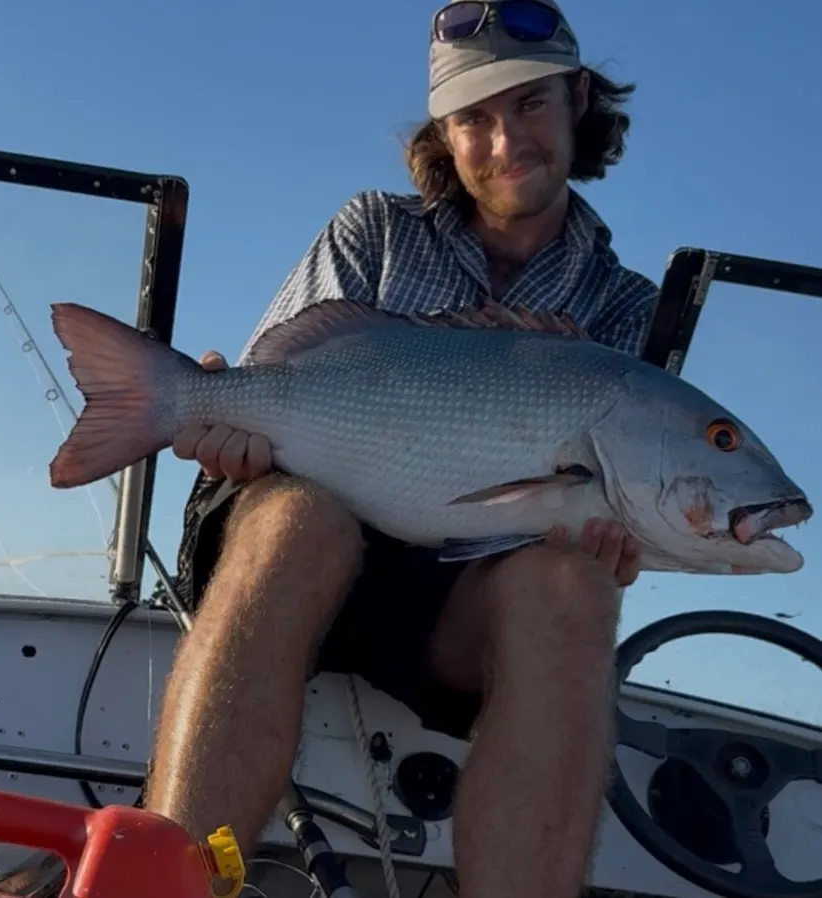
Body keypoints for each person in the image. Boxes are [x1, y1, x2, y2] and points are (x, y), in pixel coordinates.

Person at [144, 1, 659, 895]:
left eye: (530, 104)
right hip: (306, 528)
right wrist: (221, 419)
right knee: (301, 519)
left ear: (579, 98)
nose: (504, 142)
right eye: (473, 119)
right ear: (445, 134)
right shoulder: (374, 229)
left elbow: (611, 495)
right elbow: (281, 382)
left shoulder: (626, 307)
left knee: (575, 584)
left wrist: (614, 537)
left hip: (457, 595)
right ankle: (161, 886)